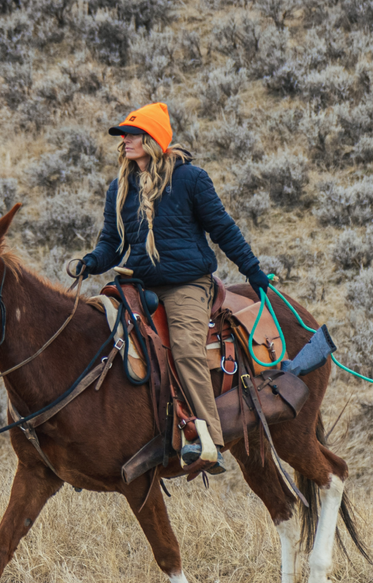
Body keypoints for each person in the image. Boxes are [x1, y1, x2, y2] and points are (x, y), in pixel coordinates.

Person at [80, 102, 269, 474]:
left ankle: (209, 439)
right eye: (124, 136)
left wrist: (254, 272)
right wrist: (90, 262)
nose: (125, 142)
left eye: (133, 135)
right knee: (109, 342)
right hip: (139, 284)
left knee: (184, 349)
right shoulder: (120, 187)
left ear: (153, 140)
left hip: (187, 285)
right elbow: (111, 244)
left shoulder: (190, 179)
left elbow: (223, 229)